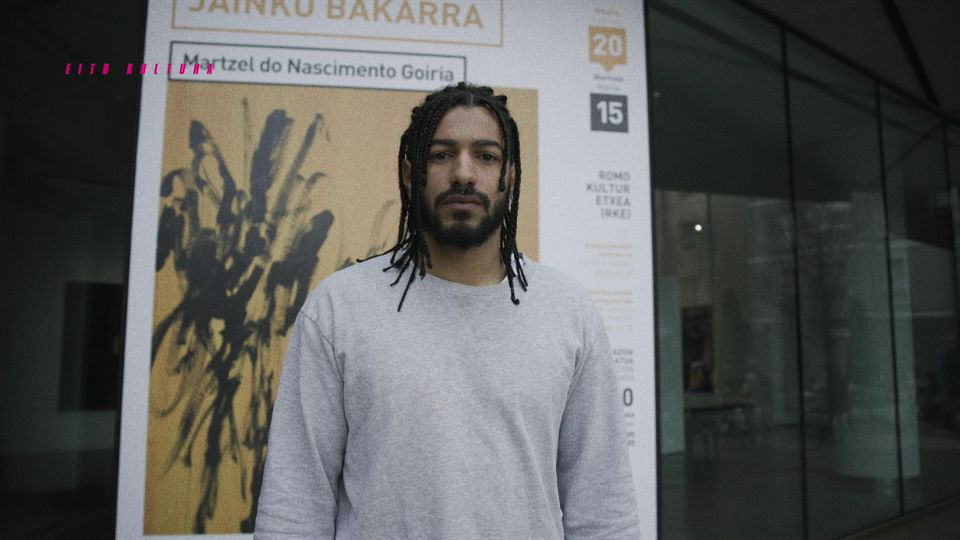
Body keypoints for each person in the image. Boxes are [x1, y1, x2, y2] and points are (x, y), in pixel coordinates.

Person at [254, 83, 640, 539]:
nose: (463, 173)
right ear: (409, 172)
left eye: (486, 156)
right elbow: (295, 506)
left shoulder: (567, 311)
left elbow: (604, 508)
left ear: (510, 175)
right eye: (441, 155)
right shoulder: (340, 308)